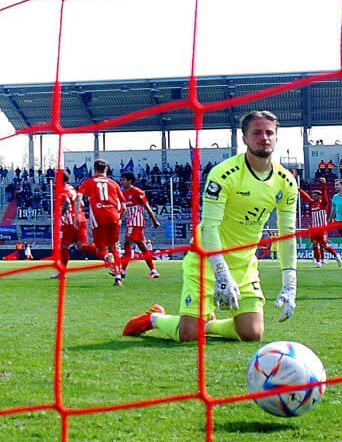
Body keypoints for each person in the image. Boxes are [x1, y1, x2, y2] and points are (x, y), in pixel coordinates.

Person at [123, 110, 299, 342]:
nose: (264, 138)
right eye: (257, 133)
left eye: (269, 133)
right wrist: (221, 273)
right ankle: (154, 318)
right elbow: (209, 227)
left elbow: (287, 235)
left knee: (252, 333)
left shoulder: (286, 182)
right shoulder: (224, 174)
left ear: (276, 137)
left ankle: (208, 324)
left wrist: (290, 283)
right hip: (207, 261)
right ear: (244, 138)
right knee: (188, 335)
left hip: (244, 265)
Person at [77, 159, 125, 287]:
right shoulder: (113, 183)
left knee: (100, 248)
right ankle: (118, 278)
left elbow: (79, 197)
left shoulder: (89, 182)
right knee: (114, 247)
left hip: (99, 217)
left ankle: (106, 258)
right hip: (114, 216)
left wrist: (77, 214)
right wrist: (119, 218)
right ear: (107, 169)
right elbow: (124, 206)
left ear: (94, 169)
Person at [119, 171, 161, 279]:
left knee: (127, 244)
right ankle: (154, 271)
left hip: (136, 222)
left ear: (129, 181)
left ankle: (122, 271)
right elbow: (123, 208)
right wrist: (119, 218)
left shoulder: (137, 192)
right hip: (131, 222)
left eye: (123, 180)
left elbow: (147, 206)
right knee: (143, 247)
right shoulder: (123, 193)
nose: (122, 182)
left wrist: (154, 221)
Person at [299, 184, 341, 267]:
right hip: (314, 229)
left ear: (319, 196)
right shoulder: (312, 203)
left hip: (322, 229)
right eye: (313, 195)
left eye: (315, 195)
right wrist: (299, 190)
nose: (313, 197)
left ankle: (336, 255)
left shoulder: (324, 204)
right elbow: (306, 197)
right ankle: (318, 262)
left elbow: (324, 194)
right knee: (315, 244)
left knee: (324, 245)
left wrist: (324, 185)